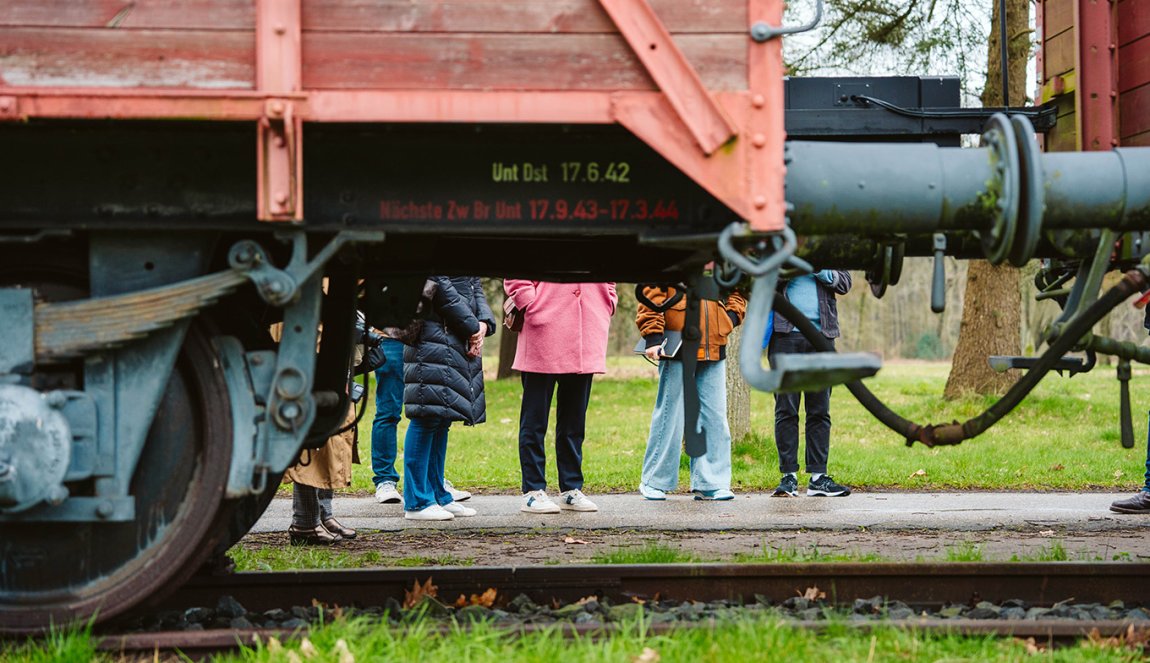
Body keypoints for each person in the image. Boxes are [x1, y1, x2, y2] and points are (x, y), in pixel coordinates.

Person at [504, 280, 617, 513]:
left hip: (588, 327)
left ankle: (571, 489)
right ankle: (533, 490)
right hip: (543, 329)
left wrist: (608, 299)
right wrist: (530, 303)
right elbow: (516, 271)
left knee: (574, 421)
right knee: (535, 419)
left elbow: (609, 270)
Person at [636, 285, 746, 501]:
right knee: (670, 414)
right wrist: (653, 335)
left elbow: (740, 286)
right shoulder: (668, 251)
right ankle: (654, 481)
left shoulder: (723, 254)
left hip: (714, 342)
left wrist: (730, 317)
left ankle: (711, 483)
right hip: (676, 343)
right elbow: (651, 290)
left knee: (714, 417)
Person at [401, 276, 495, 520]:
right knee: (426, 415)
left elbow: (474, 284)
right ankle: (417, 501)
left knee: (442, 417)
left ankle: (438, 494)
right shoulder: (436, 240)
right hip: (433, 332)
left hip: (456, 332)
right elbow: (440, 286)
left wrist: (484, 322)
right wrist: (472, 326)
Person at [768, 269, 852, 498]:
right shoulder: (782, 246)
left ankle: (818, 478)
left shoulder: (829, 248)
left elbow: (844, 283)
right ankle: (788, 477)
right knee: (786, 409)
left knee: (819, 409)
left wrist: (818, 269)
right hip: (785, 336)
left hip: (822, 336)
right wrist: (790, 268)